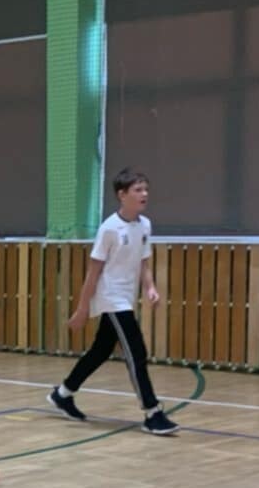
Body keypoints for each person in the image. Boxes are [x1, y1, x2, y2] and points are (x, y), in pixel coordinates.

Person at [48, 168, 179, 436]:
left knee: (100, 351)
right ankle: (152, 413)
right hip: (111, 298)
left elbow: (143, 262)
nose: (144, 194)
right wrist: (82, 308)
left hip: (126, 297)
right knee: (136, 352)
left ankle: (63, 394)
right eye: (138, 190)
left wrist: (150, 287)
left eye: (146, 189)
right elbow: (93, 272)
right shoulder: (109, 228)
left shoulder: (144, 225)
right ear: (122, 195)